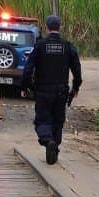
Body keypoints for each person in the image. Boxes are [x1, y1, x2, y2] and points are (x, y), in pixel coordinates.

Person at [23, 14, 81, 165]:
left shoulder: (40, 45)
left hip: (43, 90)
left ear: (47, 27)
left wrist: (27, 86)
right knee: (57, 120)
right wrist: (75, 88)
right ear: (59, 27)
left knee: (42, 119)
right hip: (61, 91)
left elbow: (28, 68)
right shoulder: (68, 46)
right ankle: (54, 146)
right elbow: (77, 70)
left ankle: (48, 141)